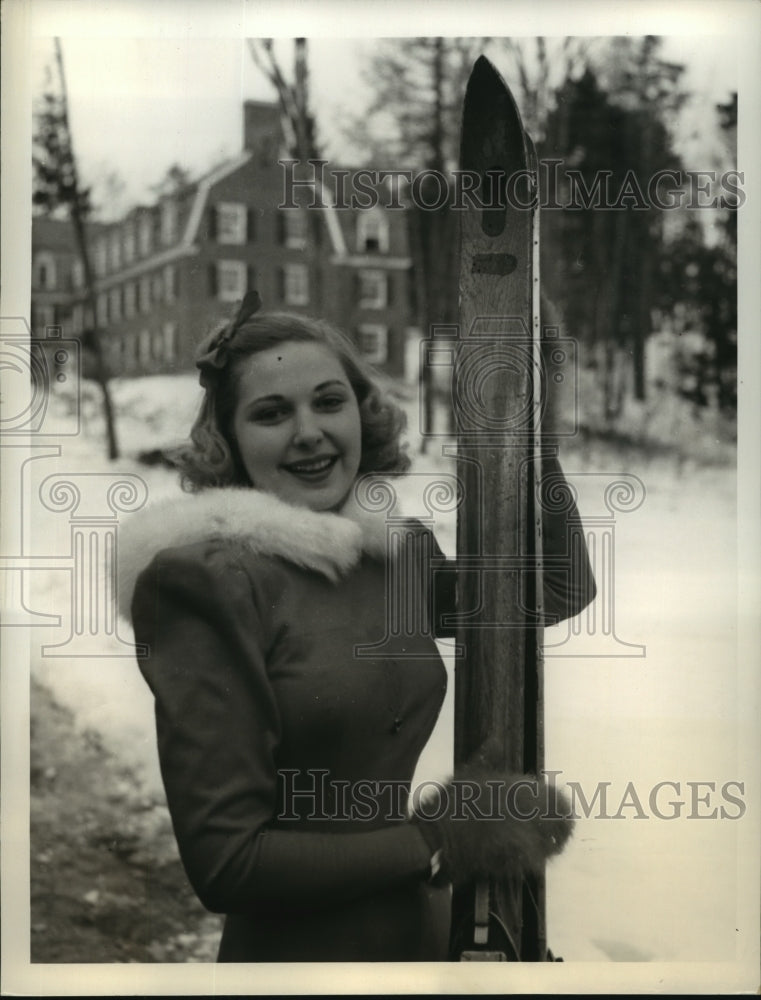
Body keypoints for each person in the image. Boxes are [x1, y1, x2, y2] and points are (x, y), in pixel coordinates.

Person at [121, 291, 596, 962]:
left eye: (328, 401)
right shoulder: (207, 583)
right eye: (270, 413)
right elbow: (226, 863)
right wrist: (439, 839)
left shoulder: (389, 555)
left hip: (424, 942)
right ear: (226, 440)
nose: (308, 431)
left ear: (360, 412)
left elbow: (555, 589)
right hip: (297, 961)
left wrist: (531, 436)